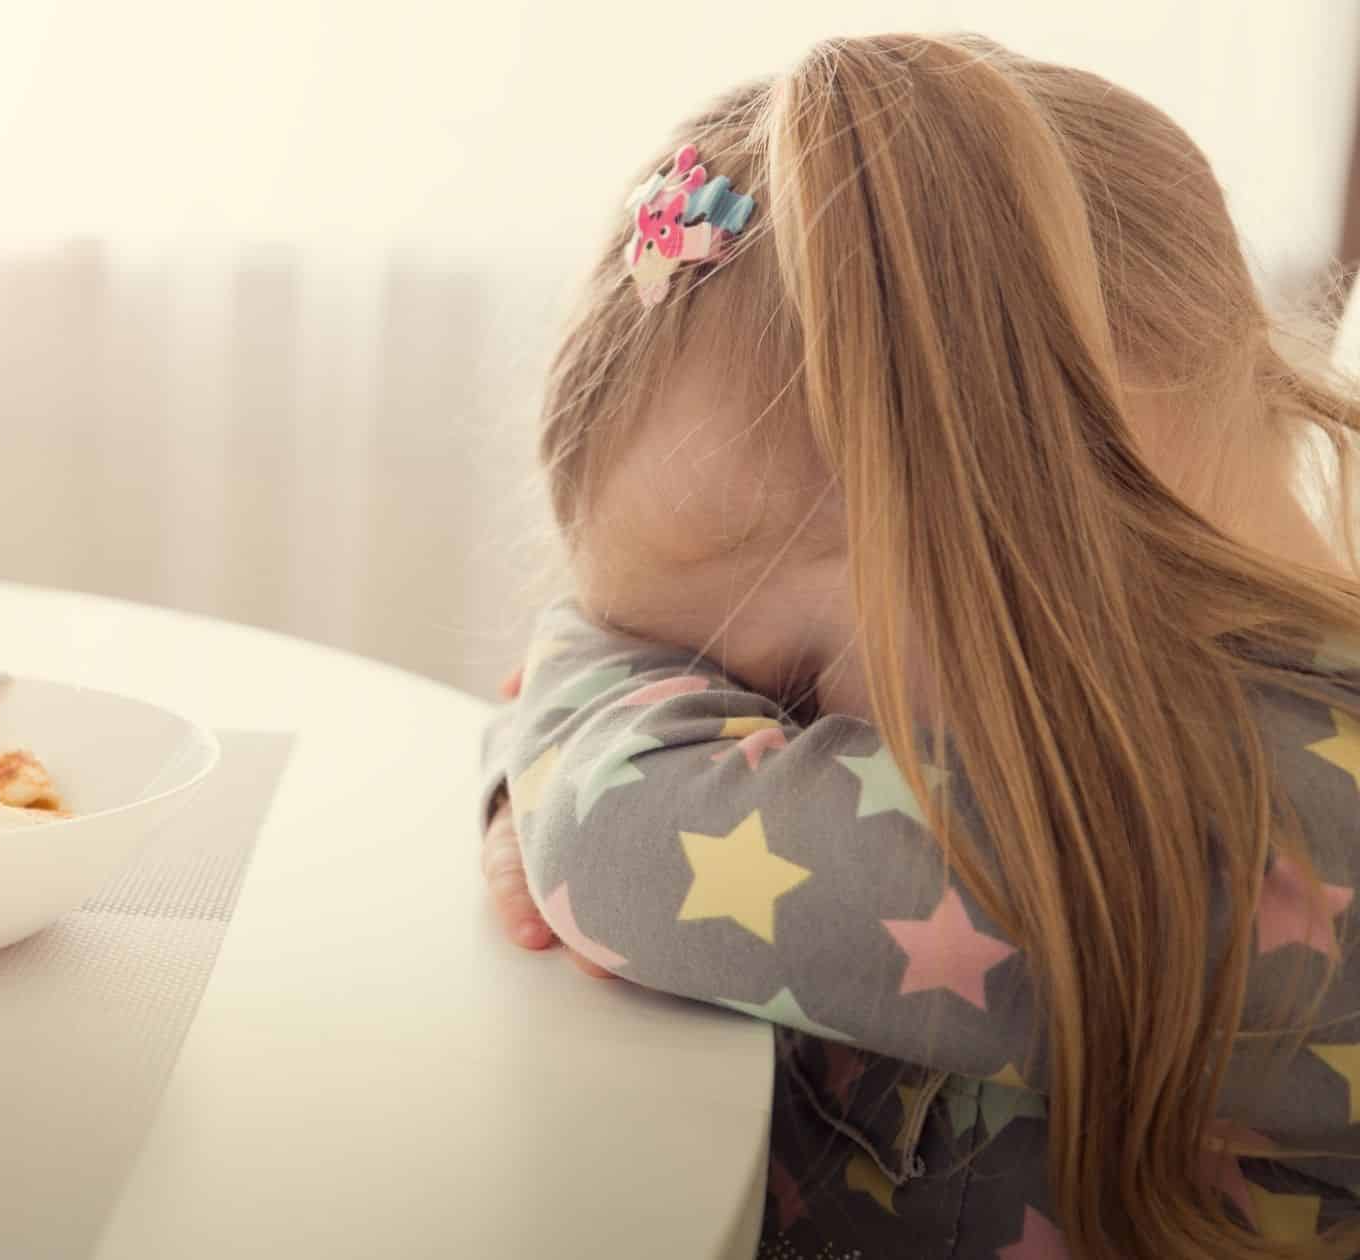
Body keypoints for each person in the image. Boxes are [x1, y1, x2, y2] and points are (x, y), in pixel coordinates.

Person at [478, 33, 1360, 1259]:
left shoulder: (1260, 828)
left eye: (775, 690)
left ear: (1014, 498)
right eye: (708, 691)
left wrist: (560, 722)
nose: (747, 750)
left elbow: (610, 835)